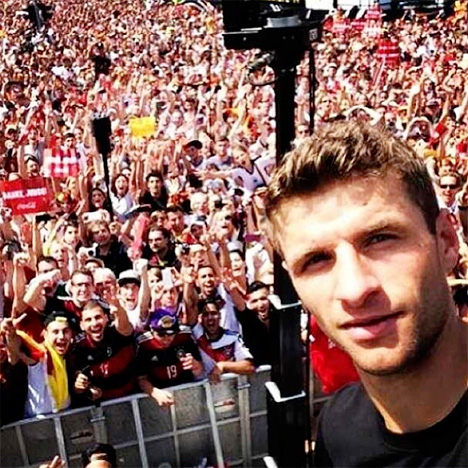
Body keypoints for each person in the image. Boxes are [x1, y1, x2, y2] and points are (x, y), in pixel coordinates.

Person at [264, 121, 467, 467]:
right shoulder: (338, 428)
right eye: (315, 260)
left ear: (446, 242)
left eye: (381, 238)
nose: (355, 289)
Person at [136, 309, 203, 406]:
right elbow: (141, 379)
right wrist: (154, 392)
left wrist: (196, 366)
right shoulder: (144, 344)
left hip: (187, 394)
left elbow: (199, 370)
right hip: (159, 398)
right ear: (152, 330)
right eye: (161, 334)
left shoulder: (185, 337)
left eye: (171, 333)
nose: (167, 339)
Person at [189, 298, 255, 383]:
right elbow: (190, 305)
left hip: (230, 391)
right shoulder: (197, 335)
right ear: (200, 318)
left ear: (220, 315)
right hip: (204, 393)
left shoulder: (233, 338)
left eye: (213, 313)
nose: (210, 318)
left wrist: (223, 366)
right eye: (205, 314)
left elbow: (249, 367)